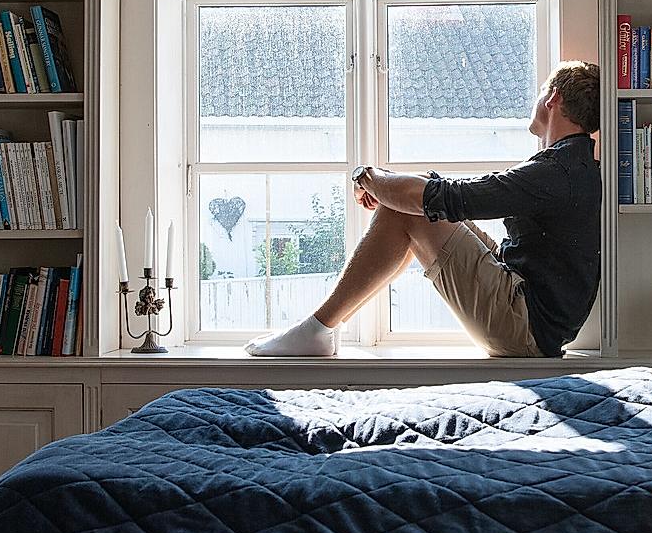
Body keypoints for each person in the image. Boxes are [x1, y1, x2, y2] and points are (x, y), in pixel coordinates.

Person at [246, 61, 601, 358]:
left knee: (415, 207)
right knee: (419, 201)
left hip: (525, 326)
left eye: (540, 91)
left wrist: (368, 178)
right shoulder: (572, 165)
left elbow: (453, 198)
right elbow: (443, 197)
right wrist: (393, 189)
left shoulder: (556, 172)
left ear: (552, 98)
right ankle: (322, 330)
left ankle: (318, 328)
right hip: (531, 310)